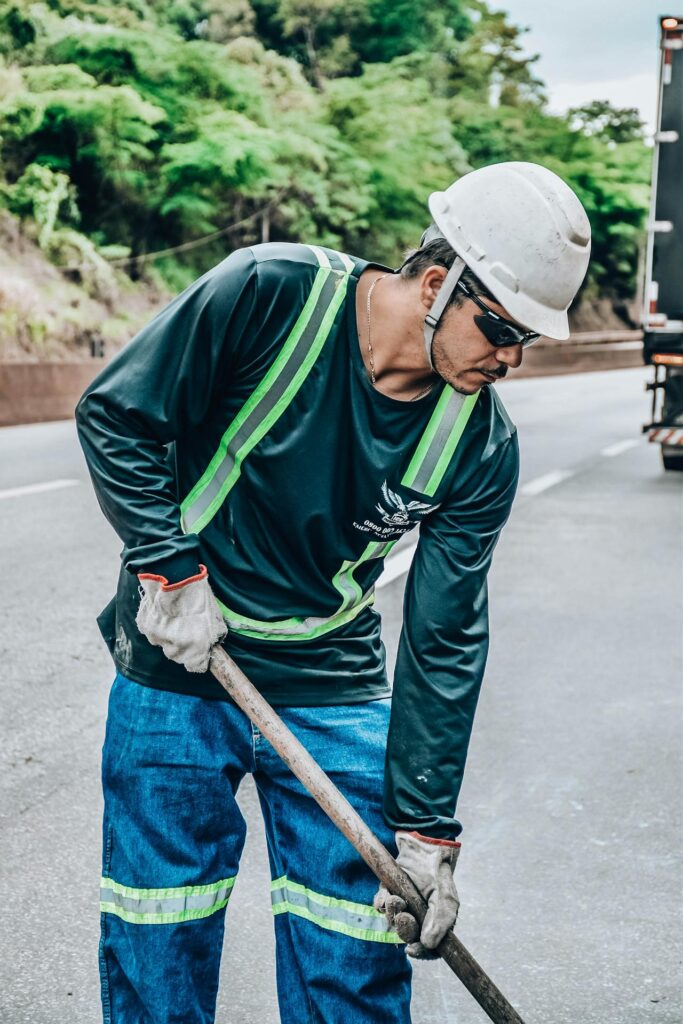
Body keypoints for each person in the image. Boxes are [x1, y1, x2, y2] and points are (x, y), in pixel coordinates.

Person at [77, 160, 590, 1023]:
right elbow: (117, 414)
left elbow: (445, 635)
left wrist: (427, 833)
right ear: (436, 282)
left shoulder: (478, 446)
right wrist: (165, 566)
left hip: (330, 677)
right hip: (181, 652)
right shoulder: (266, 295)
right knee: (157, 922)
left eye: (526, 342)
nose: (508, 358)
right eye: (499, 328)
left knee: (352, 943)